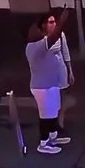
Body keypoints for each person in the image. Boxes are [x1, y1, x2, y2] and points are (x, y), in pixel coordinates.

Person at [25, 14, 72, 153]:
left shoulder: (40, 44)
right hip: (42, 87)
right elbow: (53, 38)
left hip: (52, 84)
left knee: (54, 111)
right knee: (46, 115)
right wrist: (62, 22)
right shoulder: (35, 47)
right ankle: (44, 143)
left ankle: (53, 136)